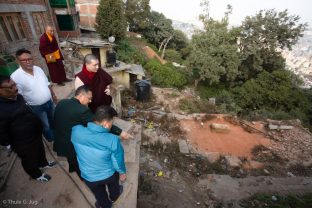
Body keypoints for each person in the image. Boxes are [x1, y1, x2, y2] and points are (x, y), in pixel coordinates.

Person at [53, 85, 131, 178]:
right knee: (78, 161)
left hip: (59, 138)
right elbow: (99, 123)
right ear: (81, 95)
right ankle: (83, 176)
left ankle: (73, 168)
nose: (90, 101)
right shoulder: (82, 110)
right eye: (89, 98)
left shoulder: (62, 102)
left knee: (71, 159)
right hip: (70, 143)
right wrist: (121, 132)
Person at [0, 75, 56, 182]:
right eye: (10, 87)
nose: (15, 88)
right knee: (29, 158)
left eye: (14, 85)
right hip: (21, 142)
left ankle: (43, 163)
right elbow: (1, 130)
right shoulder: (1, 109)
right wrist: (7, 144)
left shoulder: (18, 96)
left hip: (34, 133)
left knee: (39, 149)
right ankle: (36, 175)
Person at [71, 106, 126, 208]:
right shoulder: (112, 140)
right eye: (111, 122)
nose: (111, 125)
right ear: (105, 123)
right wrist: (122, 172)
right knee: (114, 187)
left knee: (99, 194)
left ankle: (105, 205)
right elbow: (118, 161)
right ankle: (114, 197)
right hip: (108, 175)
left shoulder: (76, 131)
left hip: (89, 177)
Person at [11, 49, 56, 142]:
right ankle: (51, 138)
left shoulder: (38, 69)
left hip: (49, 102)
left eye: (30, 59)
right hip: (36, 107)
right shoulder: (15, 77)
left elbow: (47, 83)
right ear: (18, 61)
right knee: (45, 125)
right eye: (24, 60)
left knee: (53, 120)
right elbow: (19, 96)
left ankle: (56, 134)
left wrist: (53, 95)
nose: (28, 62)